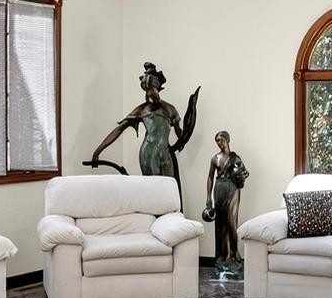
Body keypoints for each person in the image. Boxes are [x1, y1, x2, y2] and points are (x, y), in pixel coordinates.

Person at [85, 62, 201, 185]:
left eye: (153, 85)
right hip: (149, 152)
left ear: (158, 84)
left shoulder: (170, 109)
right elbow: (118, 129)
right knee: (154, 189)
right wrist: (97, 151)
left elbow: (180, 132)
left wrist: (186, 133)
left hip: (165, 152)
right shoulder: (142, 110)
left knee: (169, 188)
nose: (151, 91)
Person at [201, 131, 249, 275]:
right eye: (217, 141)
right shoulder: (215, 158)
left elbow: (244, 172)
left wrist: (242, 176)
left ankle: (236, 253)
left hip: (232, 189)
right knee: (221, 224)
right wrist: (208, 197)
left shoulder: (235, 157)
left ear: (227, 140)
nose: (219, 143)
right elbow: (210, 178)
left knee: (231, 221)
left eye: (221, 140)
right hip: (219, 189)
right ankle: (225, 256)